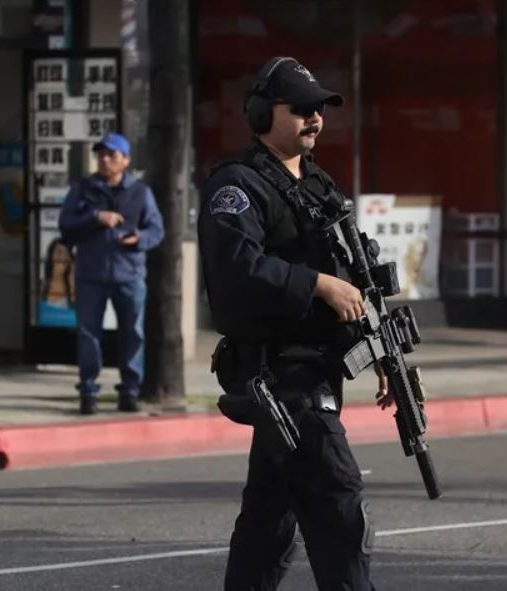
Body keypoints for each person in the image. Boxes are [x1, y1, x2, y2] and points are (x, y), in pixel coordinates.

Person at [198, 57, 388, 591]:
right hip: (280, 375)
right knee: (338, 504)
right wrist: (319, 285)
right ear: (262, 113)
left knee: (269, 522)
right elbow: (239, 271)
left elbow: (360, 272)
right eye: (300, 108)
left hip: (319, 370)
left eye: (320, 109)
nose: (314, 119)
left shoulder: (319, 187)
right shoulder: (238, 187)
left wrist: (381, 353)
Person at [59, 132, 164, 415]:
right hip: (91, 273)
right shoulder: (83, 188)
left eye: (111, 155)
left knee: (133, 333)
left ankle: (130, 391)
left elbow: (157, 230)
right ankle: (89, 391)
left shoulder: (141, 192)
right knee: (88, 334)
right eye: (101, 155)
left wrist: (139, 238)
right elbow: (66, 223)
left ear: (125, 160)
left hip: (129, 274)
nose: (105, 160)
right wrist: (96, 217)